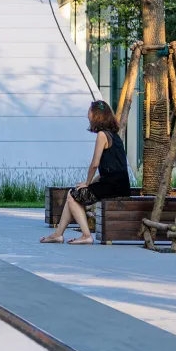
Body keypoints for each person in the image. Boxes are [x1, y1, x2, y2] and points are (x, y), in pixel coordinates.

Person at [40, 100, 132, 245]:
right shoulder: (115, 136)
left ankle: (86, 235)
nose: (87, 116)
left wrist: (87, 183)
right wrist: (90, 184)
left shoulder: (102, 135)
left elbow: (94, 164)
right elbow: (111, 170)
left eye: (89, 113)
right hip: (121, 185)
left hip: (111, 186)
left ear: (96, 116)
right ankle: (58, 234)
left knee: (73, 195)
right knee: (74, 194)